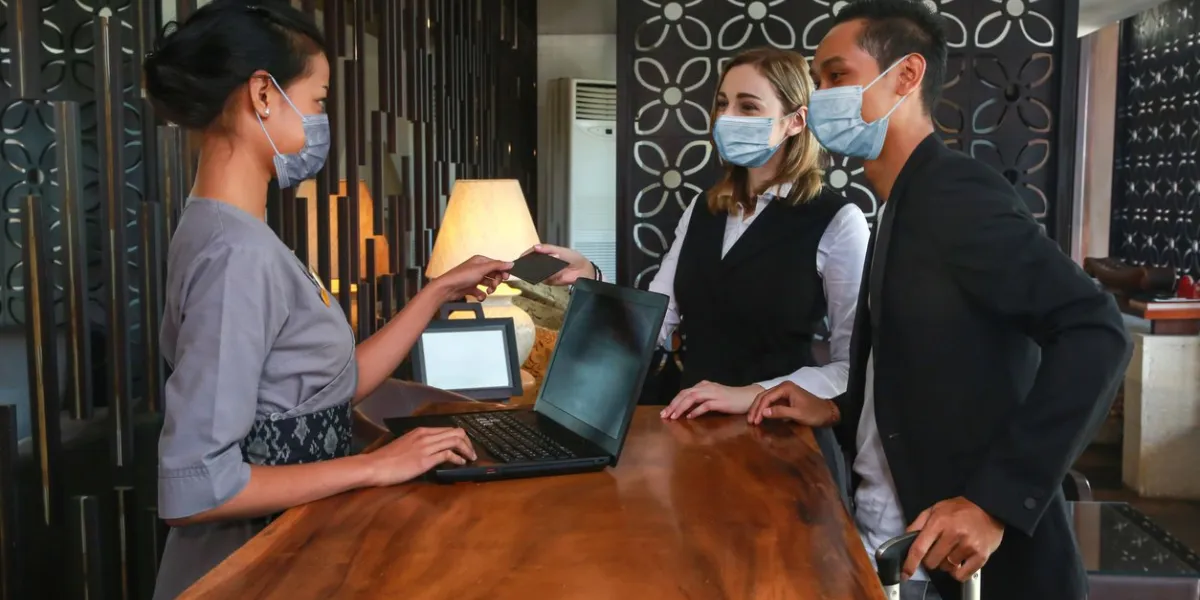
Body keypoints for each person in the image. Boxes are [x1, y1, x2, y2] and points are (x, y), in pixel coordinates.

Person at [747, 2, 1131, 600]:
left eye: (836, 76)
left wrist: (994, 502)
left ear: (905, 76)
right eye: (818, 80)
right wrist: (838, 407)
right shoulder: (899, 202)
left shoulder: (955, 193)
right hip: (891, 543)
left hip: (953, 568)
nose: (820, 96)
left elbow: (1096, 328)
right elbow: (933, 361)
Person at [143, 2, 510, 597]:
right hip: (252, 566)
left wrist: (437, 293)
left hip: (297, 548)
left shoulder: (234, 233)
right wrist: (378, 465)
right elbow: (197, 487)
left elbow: (322, 388)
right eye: (316, 100)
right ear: (263, 95)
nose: (321, 121)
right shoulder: (236, 255)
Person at [534, 47, 870, 422]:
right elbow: (655, 323)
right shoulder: (702, 209)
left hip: (779, 434)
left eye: (748, 107)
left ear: (795, 121)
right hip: (690, 422)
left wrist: (751, 395)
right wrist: (593, 278)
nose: (726, 118)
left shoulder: (838, 221)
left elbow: (851, 365)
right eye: (723, 103)